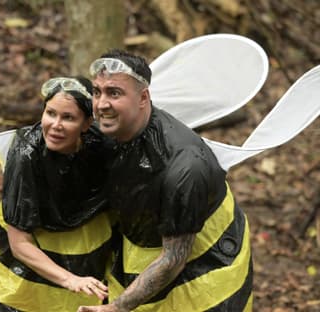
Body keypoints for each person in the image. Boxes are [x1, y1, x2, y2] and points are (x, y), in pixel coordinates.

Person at [78, 50, 253, 312]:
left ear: (143, 98)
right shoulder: (106, 129)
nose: (102, 104)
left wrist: (116, 308)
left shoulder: (184, 167)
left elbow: (173, 259)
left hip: (205, 261)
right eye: (97, 92)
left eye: (114, 93)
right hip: (143, 243)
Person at [0, 76, 114, 311]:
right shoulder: (26, 156)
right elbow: (20, 243)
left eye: (68, 117)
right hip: (28, 263)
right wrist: (70, 279)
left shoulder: (99, 143)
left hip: (86, 247)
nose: (56, 125)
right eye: (51, 114)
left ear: (86, 124)